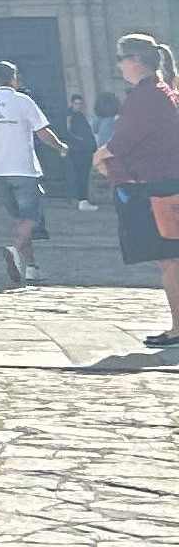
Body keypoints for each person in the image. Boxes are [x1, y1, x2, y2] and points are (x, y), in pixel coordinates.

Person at [96, 33, 179, 349]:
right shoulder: (162, 92)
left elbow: (125, 140)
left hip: (158, 187)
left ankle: (177, 328)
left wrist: (101, 155)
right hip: (164, 183)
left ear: (135, 61)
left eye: (120, 59)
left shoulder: (147, 96)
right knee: (170, 260)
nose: (119, 67)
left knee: (170, 260)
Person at [0, 61, 63, 287]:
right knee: (31, 217)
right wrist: (61, 147)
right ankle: (16, 249)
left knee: (19, 218)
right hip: (23, 169)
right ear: (15, 78)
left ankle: (30, 267)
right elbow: (43, 132)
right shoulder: (23, 101)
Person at [60, 93, 102, 209]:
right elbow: (70, 133)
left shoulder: (78, 115)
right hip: (78, 151)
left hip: (83, 150)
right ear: (72, 103)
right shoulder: (70, 117)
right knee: (80, 176)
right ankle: (82, 200)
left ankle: (81, 200)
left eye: (80, 104)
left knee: (82, 175)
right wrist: (83, 143)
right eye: (76, 103)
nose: (78, 106)